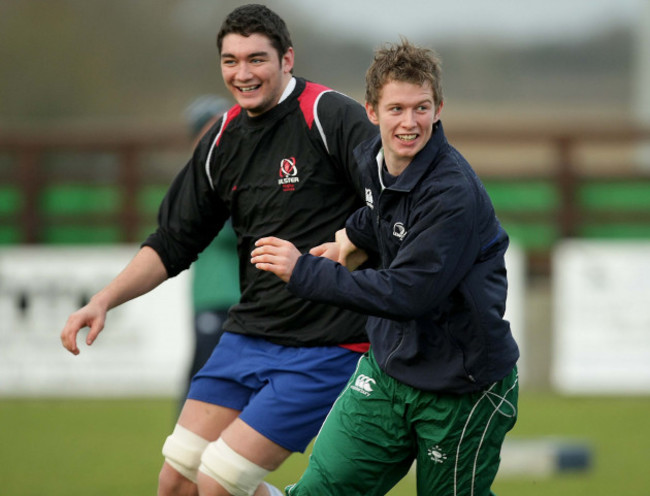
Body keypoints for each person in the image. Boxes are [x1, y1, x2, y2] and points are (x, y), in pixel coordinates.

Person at [60, 4, 377, 496]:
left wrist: (348, 244)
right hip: (248, 335)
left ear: (287, 59)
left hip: (327, 344)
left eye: (257, 59)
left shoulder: (329, 115)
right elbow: (172, 241)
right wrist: (103, 300)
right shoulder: (221, 140)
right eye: (231, 61)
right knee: (175, 483)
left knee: (219, 484)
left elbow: (392, 200)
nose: (243, 73)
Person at [251, 39, 520, 495]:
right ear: (372, 111)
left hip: (462, 385)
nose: (410, 123)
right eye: (396, 109)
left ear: (439, 109)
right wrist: (349, 240)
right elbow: (381, 213)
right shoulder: (371, 159)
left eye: (421, 108)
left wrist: (305, 272)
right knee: (320, 489)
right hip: (388, 370)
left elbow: (407, 293)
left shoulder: (451, 193)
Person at [180, 95, 240, 412]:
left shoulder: (237, 175)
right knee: (203, 375)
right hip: (214, 296)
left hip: (245, 299)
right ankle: (182, 449)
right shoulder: (194, 182)